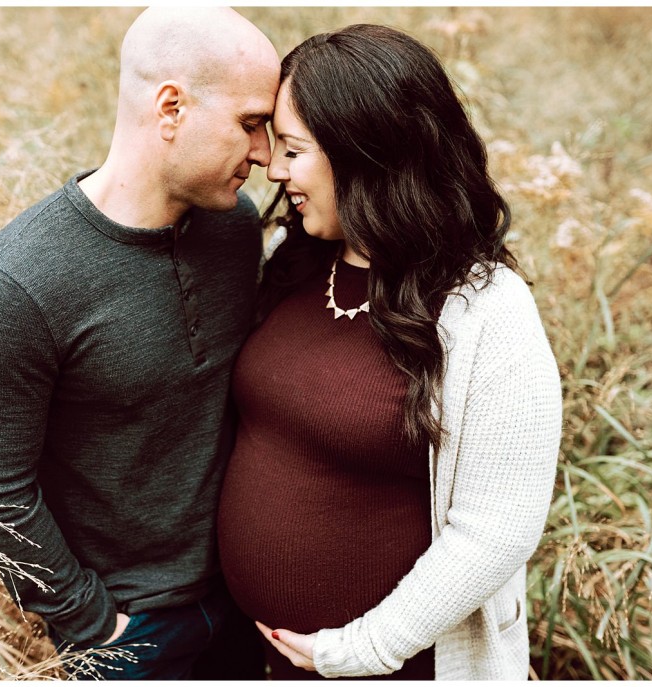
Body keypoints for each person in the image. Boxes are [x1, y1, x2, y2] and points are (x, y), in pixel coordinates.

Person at [0, 7, 279, 680]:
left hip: (247, 603)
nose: (264, 153)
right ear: (171, 107)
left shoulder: (235, 230)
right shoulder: (13, 284)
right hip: (132, 631)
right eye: (249, 123)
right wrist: (94, 624)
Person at [217, 24, 563, 680]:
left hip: (394, 666)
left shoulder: (487, 310)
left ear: (366, 154)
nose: (274, 168)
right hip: (262, 658)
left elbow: (497, 531)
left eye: (293, 149)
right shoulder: (292, 264)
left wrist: (362, 648)